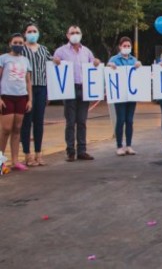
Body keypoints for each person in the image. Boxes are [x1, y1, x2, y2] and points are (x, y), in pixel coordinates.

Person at [53, 26, 100, 162]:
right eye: (72, 33)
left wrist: (96, 62)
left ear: (81, 34)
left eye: (77, 32)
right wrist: (55, 62)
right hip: (69, 89)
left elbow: (94, 64)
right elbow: (55, 66)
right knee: (70, 122)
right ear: (67, 35)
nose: (75, 35)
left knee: (82, 121)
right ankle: (70, 151)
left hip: (84, 88)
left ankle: (82, 150)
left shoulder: (86, 52)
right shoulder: (61, 51)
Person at [20, 24, 53, 166]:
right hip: (25, 89)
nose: (32, 33)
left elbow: (51, 68)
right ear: (25, 33)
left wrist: (49, 92)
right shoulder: (21, 49)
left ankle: (39, 154)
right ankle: (27, 154)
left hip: (41, 87)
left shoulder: (44, 50)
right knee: (26, 121)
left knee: (39, 121)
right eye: (29, 31)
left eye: (35, 31)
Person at [0, 33, 32, 171]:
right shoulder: (3, 58)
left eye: (20, 43)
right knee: (6, 129)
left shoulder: (25, 60)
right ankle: (1, 160)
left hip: (21, 96)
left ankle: (15, 161)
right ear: (10, 43)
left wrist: (29, 99)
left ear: (23, 44)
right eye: (15, 42)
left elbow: (28, 81)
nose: (18, 45)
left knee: (17, 129)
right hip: (7, 96)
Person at [107, 37, 142, 156]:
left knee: (130, 121)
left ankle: (129, 145)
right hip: (119, 94)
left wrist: (139, 65)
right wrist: (110, 66)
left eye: (128, 46)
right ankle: (119, 146)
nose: (127, 48)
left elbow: (138, 74)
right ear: (120, 46)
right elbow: (108, 71)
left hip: (131, 95)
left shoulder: (133, 59)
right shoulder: (114, 59)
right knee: (120, 120)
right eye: (124, 46)